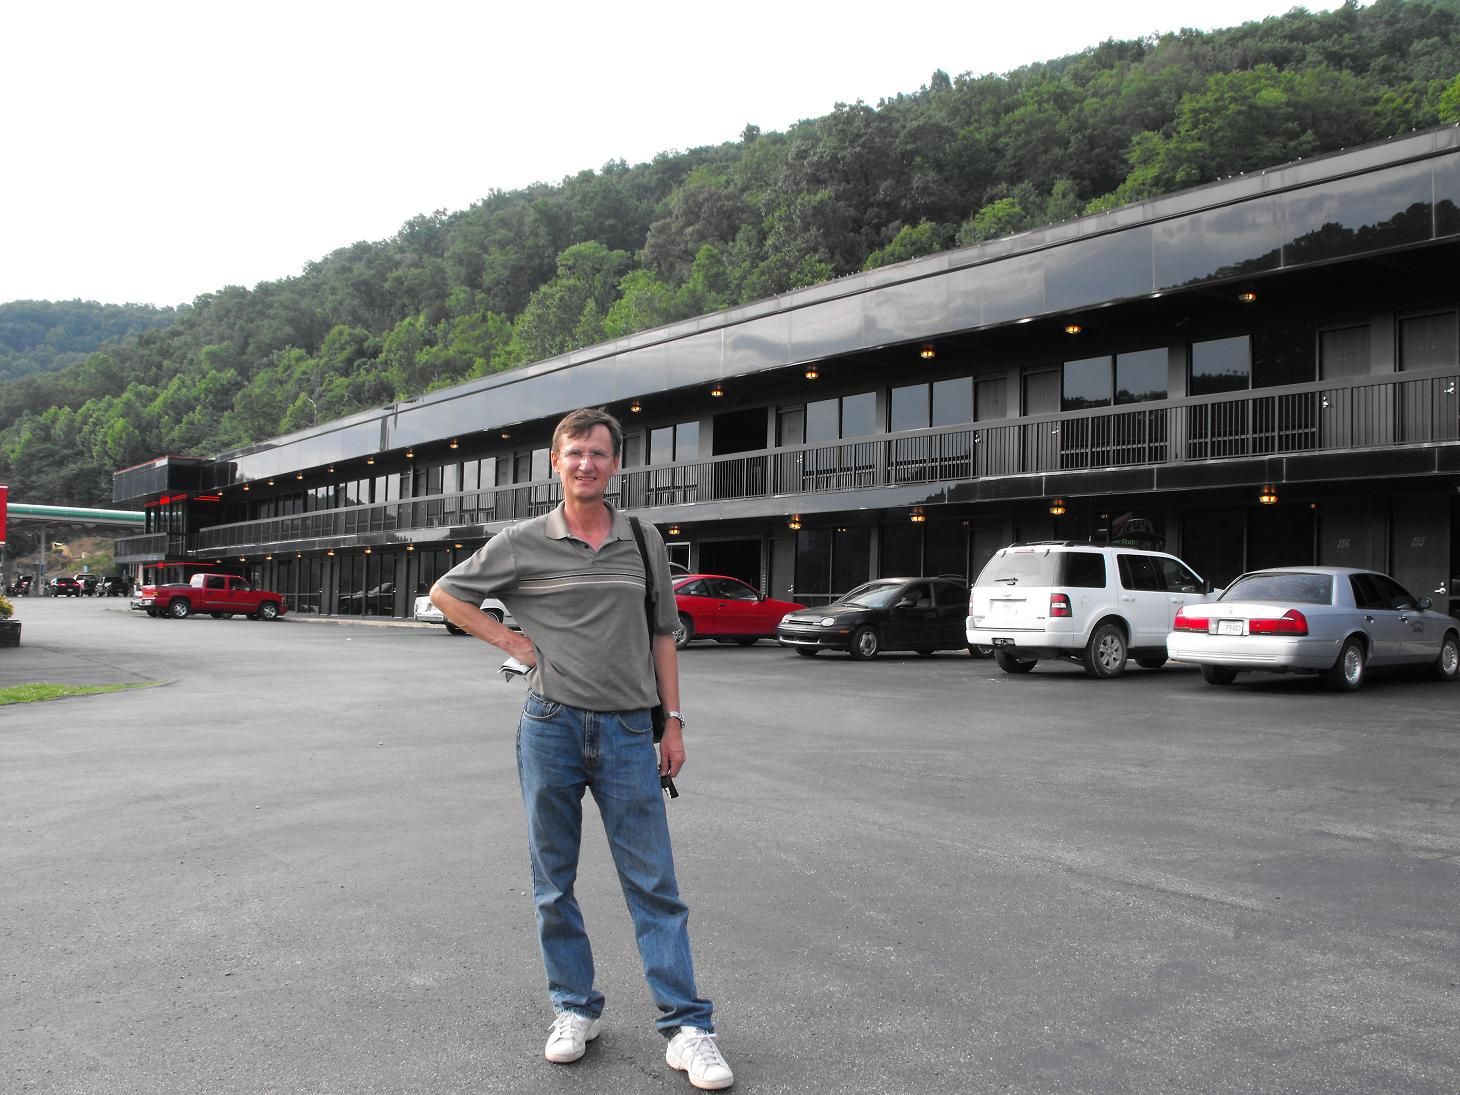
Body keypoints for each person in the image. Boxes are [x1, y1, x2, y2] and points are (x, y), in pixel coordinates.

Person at [430, 406, 733, 1091]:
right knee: (553, 878)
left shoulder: (642, 539)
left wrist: (673, 722)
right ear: (556, 462)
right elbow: (447, 594)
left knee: (654, 882)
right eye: (575, 453)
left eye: (598, 453)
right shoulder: (522, 541)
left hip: (628, 730)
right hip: (551, 725)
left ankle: (687, 1027)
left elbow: (662, 635)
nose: (586, 464)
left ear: (615, 464)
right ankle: (574, 1008)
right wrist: (513, 642)